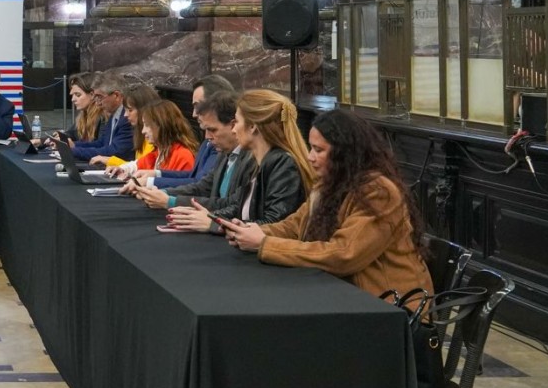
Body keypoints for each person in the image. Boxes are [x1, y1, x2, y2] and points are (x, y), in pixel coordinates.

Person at [221, 109, 434, 299]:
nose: (310, 157)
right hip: (344, 297)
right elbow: (294, 226)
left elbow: (344, 254)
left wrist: (264, 243)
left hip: (389, 309)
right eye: (311, 148)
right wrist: (251, 231)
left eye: (318, 150)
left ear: (345, 153)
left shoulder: (378, 192)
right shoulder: (329, 184)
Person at [167, 89, 312, 232]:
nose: (234, 129)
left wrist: (214, 224)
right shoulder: (257, 161)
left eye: (236, 122)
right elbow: (239, 205)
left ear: (253, 126)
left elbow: (275, 223)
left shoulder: (283, 164)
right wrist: (210, 217)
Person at [130, 90, 251, 211]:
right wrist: (162, 193)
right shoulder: (224, 154)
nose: (207, 137)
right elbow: (202, 187)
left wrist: (171, 201)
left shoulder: (251, 160)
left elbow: (232, 204)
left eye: (213, 130)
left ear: (233, 125)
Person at [99, 98, 197, 174]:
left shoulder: (182, 156)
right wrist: (122, 169)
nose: (143, 131)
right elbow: (137, 164)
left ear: (161, 125)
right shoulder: (159, 153)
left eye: (148, 125)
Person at [66, 74, 134, 161]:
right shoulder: (114, 115)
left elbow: (115, 151)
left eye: (100, 97)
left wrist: (74, 151)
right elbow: (101, 143)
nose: (97, 103)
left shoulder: (126, 118)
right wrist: (74, 146)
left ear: (116, 95)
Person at [89, 85, 161, 167]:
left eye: (130, 110)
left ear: (145, 109)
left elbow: (143, 168)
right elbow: (137, 165)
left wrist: (110, 161)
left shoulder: (154, 138)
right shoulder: (139, 134)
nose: (125, 115)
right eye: (125, 110)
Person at [64, 73, 103, 142]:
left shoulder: (102, 117)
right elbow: (71, 133)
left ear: (92, 95)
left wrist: (74, 146)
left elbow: (99, 146)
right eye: (72, 95)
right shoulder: (83, 115)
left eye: (78, 95)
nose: (73, 99)